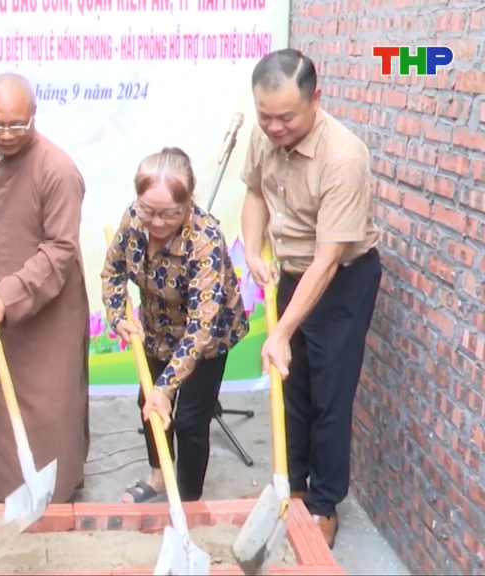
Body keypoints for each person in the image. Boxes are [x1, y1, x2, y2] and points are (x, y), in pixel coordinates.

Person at [241, 49, 382, 549]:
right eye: (265, 116)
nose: (274, 127)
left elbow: (328, 260)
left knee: (329, 395)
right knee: (292, 387)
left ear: (315, 99)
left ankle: (323, 504)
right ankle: (293, 487)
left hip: (340, 280)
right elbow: (255, 193)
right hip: (292, 273)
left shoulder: (343, 157)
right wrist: (253, 250)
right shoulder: (264, 134)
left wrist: (281, 331)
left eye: (286, 117)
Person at [0, 72, 90, 504]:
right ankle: (1, 483)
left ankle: (53, 489)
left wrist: (11, 294)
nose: (5, 135)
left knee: (50, 402)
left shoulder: (58, 170)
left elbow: (61, 249)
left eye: (16, 124)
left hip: (45, 302)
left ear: (34, 115)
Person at [101, 148, 249, 505]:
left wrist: (166, 387)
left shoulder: (205, 240)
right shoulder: (133, 220)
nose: (156, 222)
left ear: (188, 202)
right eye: (148, 211)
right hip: (156, 328)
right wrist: (118, 315)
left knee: (189, 419)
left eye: (169, 214)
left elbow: (201, 326)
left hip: (205, 339)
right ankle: (159, 477)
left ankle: (188, 498)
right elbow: (113, 271)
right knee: (148, 403)